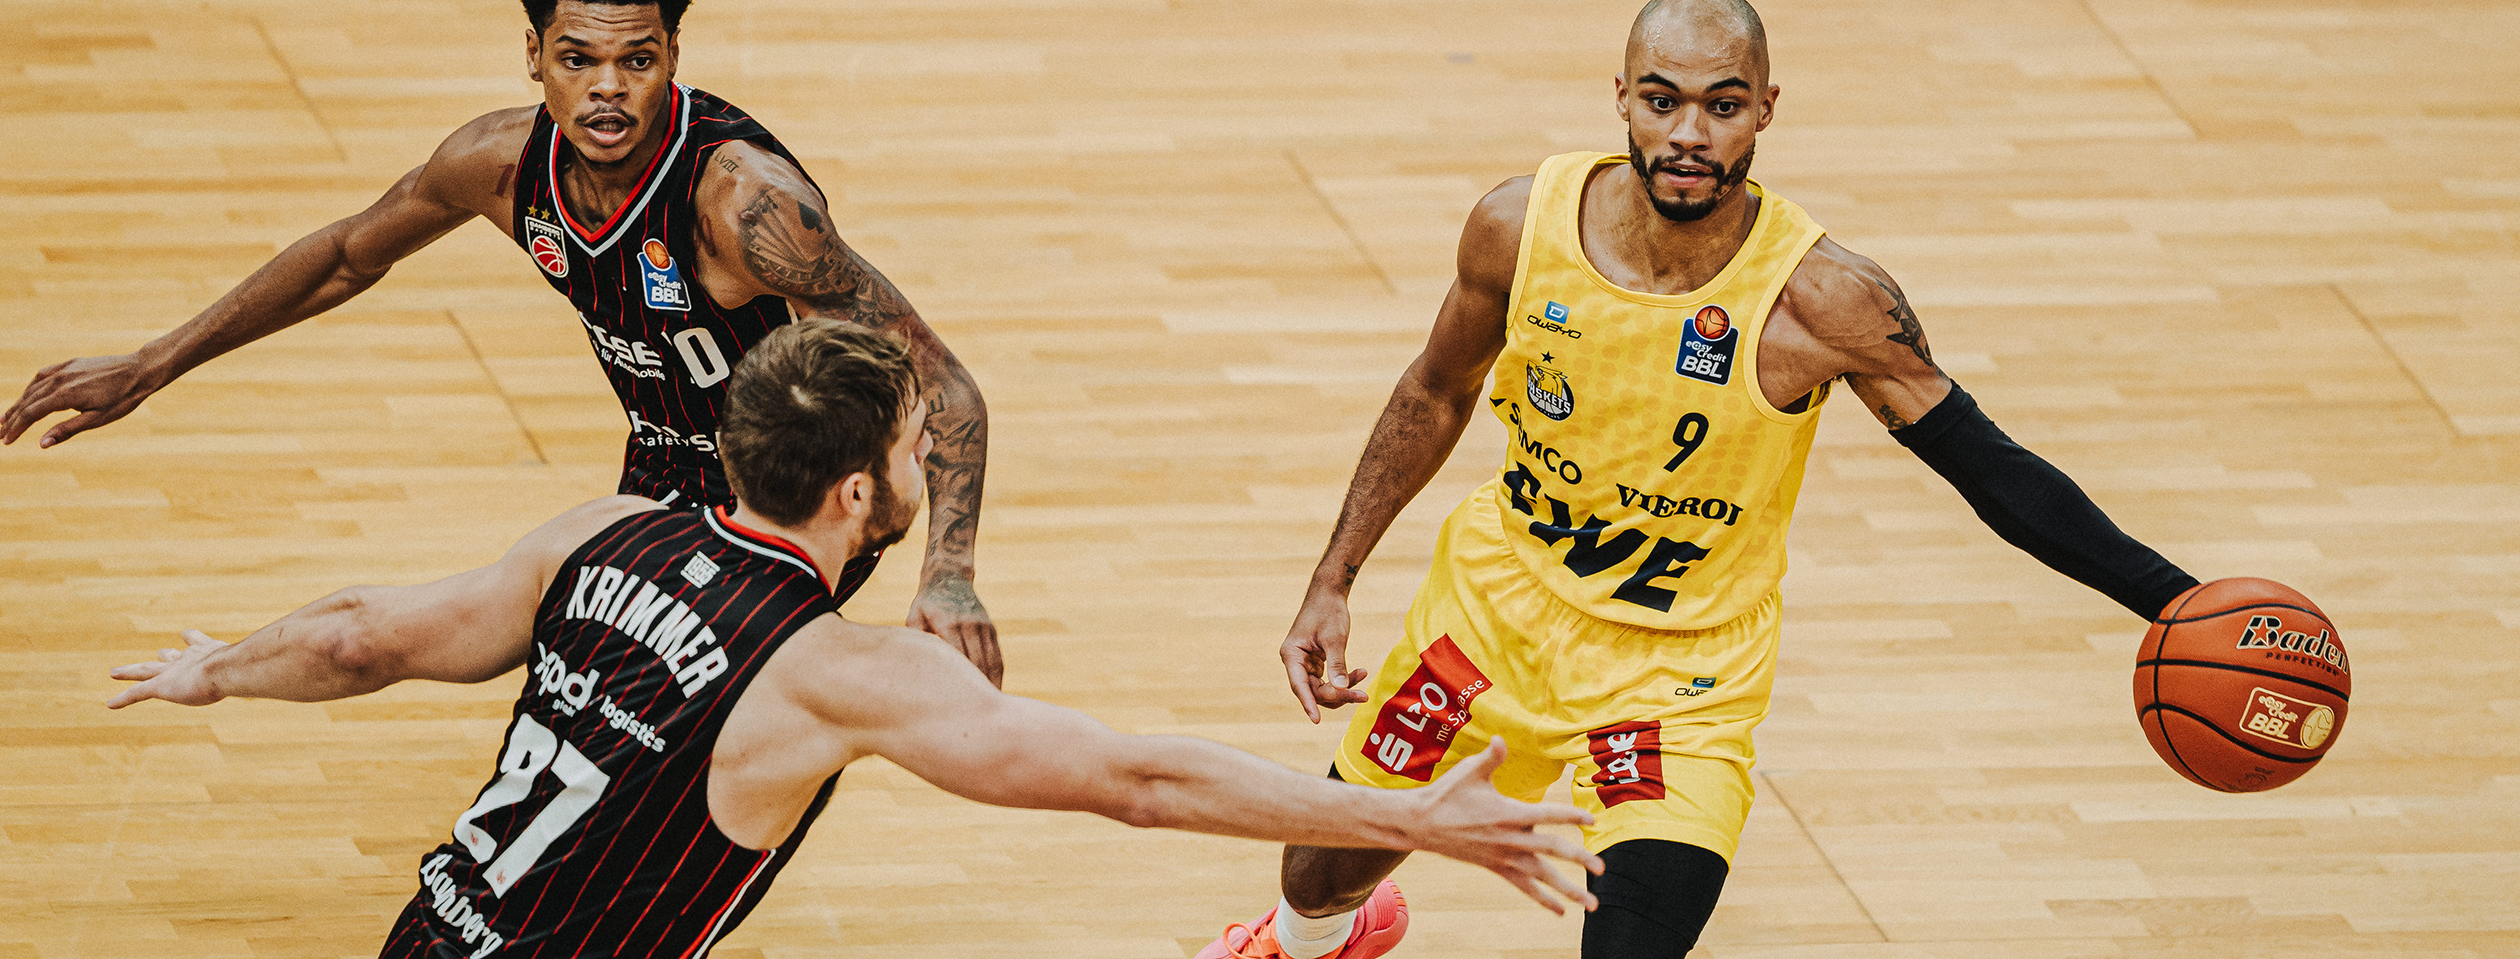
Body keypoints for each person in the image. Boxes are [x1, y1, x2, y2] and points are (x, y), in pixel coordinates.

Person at [1196, 1, 2203, 957]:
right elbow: (1434, 391)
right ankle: (1310, 941)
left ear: (1765, 109)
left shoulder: (1826, 301)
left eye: (1722, 105)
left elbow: (1993, 472)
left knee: (1634, 936)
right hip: (1491, 621)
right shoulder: (1518, 228)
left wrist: (2178, 604)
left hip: (1680, 680)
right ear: (1622, 97)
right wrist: (1335, 577)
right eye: (1662, 99)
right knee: (1319, 874)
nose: (1688, 132)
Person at [104, 318, 1607, 958]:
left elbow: (368, 635)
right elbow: (1137, 779)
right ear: (854, 493)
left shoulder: (599, 531)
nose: (921, 469)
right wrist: (1406, 814)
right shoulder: (838, 673)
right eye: (908, 448)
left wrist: (216, 662)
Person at [0, 0, 1003, 681]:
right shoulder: (498, 165)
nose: (607, 90)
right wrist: (154, 361)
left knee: (675, 734)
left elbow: (948, 385)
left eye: (636, 59)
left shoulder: (745, 206)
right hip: (661, 467)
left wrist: (946, 570)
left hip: (798, 495)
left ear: (672, 60)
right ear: (534, 55)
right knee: (579, 695)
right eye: (578, 59)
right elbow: (350, 253)